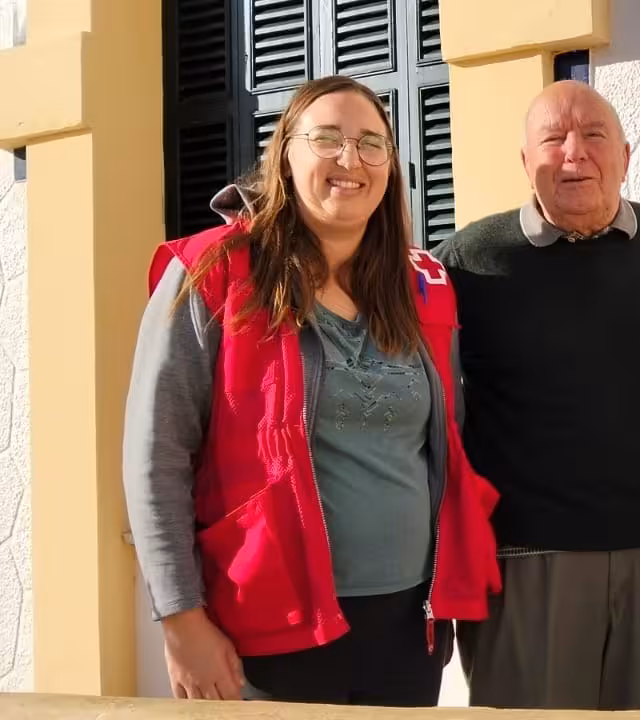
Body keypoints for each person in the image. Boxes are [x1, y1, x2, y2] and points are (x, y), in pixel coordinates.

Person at [122, 75, 500, 707]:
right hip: (269, 628)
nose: (351, 159)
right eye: (327, 138)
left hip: (409, 624)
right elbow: (155, 456)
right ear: (284, 156)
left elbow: (447, 442)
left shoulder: (423, 287)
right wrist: (181, 619)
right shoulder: (211, 274)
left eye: (371, 143)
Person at [433, 80, 640, 711]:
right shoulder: (467, 260)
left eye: (594, 135)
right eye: (553, 139)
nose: (574, 152)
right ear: (525, 161)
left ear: (625, 156)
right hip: (524, 560)